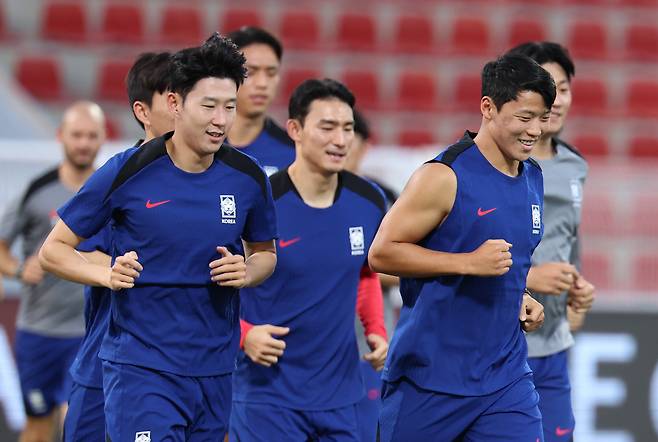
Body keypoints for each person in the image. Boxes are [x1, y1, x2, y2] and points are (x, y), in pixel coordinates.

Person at [39, 34, 278, 440]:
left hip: (215, 369)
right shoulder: (127, 170)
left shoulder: (249, 177)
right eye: (208, 106)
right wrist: (106, 274)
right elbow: (53, 251)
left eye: (230, 107)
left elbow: (265, 254)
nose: (221, 119)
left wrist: (248, 271)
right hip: (141, 368)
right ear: (175, 104)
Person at [368, 53, 553, 441]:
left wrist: (521, 294)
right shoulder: (443, 175)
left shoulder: (533, 177)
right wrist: (467, 263)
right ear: (488, 107)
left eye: (543, 117)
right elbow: (382, 253)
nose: (535, 129)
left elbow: (505, 262)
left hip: (505, 379)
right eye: (524, 117)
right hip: (429, 379)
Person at [230, 79, 388, 442]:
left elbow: (364, 274)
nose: (340, 140)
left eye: (347, 128)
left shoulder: (368, 201)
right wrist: (244, 334)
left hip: (341, 399)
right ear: (295, 130)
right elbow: (212, 284)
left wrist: (376, 330)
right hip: (266, 397)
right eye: (327, 127)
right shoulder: (259, 202)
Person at [62, 51, 174, 441]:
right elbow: (69, 248)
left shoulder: (224, 180)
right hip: (106, 360)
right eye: (172, 97)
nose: (183, 107)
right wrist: (109, 270)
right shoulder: (119, 175)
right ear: (143, 110)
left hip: (184, 370)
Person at [0, 101, 105, 442]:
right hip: (39, 333)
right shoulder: (38, 191)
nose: (83, 143)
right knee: (37, 427)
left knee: (78, 425)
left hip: (91, 334)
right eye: (77, 135)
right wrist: (17, 270)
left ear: (103, 139)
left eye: (91, 136)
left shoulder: (113, 191)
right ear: (61, 136)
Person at [509, 41, 596, 442]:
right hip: (502, 346)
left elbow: (568, 241)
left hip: (553, 347)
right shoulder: (496, 164)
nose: (557, 100)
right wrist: (530, 277)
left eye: (563, 88)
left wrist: (577, 289)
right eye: (548, 89)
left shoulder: (575, 165)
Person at [226, 26, 295, 175]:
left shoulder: (294, 153)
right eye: (250, 72)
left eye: (271, 73)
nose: (262, 83)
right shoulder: (199, 147)